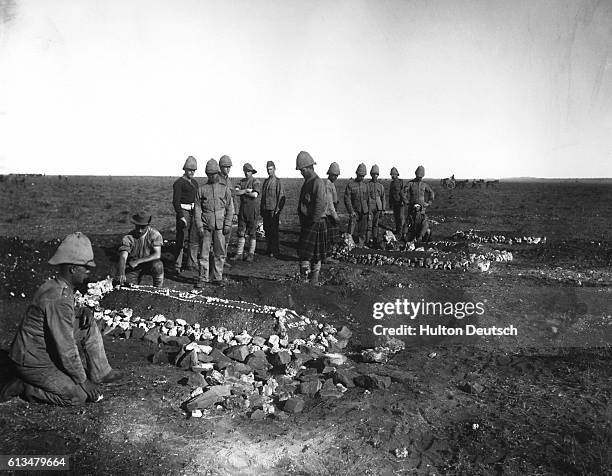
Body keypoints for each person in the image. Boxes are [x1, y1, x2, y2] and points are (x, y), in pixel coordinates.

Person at [1, 233, 123, 405]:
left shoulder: (56, 285)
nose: (89, 272)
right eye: (85, 268)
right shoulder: (58, 297)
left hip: (38, 347)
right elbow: (66, 349)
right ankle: (26, 387)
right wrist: (83, 382)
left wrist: (81, 311)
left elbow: (57, 316)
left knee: (87, 324)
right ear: (73, 269)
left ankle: (101, 372)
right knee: (78, 396)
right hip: (32, 360)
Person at [193, 159, 234, 288]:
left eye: (214, 174)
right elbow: (197, 209)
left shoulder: (225, 189)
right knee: (204, 253)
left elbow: (230, 208)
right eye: (209, 174)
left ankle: (218, 277)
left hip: (220, 227)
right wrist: (199, 225)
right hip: (205, 226)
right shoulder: (201, 190)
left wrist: (227, 224)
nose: (212, 176)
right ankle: (203, 278)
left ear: (218, 173)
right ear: (206, 175)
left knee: (220, 253)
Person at [296, 151, 328, 285]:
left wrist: (312, 222)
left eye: (302, 170)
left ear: (309, 168)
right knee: (305, 254)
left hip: (315, 223)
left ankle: (313, 282)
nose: (301, 173)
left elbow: (319, 205)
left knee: (315, 256)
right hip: (309, 222)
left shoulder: (317, 183)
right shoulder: (308, 182)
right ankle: (305, 281)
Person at [117, 212, 164, 287]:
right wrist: (122, 273)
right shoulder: (128, 238)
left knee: (158, 265)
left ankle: (158, 288)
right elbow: (123, 256)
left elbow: (157, 255)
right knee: (130, 286)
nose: (140, 230)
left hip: (149, 263)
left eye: (143, 227)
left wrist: (138, 261)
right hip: (133, 266)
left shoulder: (155, 234)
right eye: (138, 227)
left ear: (148, 225)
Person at [172, 156, 199, 275]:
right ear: (185, 169)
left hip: (194, 212)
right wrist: (181, 216)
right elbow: (176, 201)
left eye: (194, 170)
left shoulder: (195, 182)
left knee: (194, 238)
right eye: (190, 170)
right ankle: (177, 265)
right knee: (181, 238)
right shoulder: (178, 183)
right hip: (184, 212)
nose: (192, 172)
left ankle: (191, 263)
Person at [232, 163, 261, 262]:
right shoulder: (241, 182)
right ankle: (239, 253)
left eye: (249, 171)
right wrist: (245, 191)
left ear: (252, 172)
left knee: (252, 232)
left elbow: (255, 194)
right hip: (243, 209)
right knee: (241, 231)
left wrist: (244, 192)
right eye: (246, 171)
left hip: (252, 210)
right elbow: (235, 192)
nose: (247, 173)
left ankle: (251, 254)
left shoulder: (255, 181)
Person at [401, 165, 435, 240]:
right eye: (418, 176)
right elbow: (403, 192)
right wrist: (406, 202)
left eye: (421, 176)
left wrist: (429, 202)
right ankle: (409, 236)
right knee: (410, 222)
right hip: (412, 207)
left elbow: (431, 192)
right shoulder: (410, 183)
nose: (419, 178)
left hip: (422, 208)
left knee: (423, 223)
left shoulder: (424, 185)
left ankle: (422, 237)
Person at [260, 161, 286, 258]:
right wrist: (261, 209)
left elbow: (281, 197)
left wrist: (277, 210)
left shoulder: (278, 182)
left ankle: (275, 251)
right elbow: (263, 197)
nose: (269, 171)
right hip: (266, 210)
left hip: (273, 211)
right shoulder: (266, 182)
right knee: (267, 230)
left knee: (274, 231)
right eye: (267, 169)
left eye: (270, 169)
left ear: (274, 169)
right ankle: (269, 249)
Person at [344, 163, 370, 246]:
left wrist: (368, 211)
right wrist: (351, 211)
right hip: (355, 210)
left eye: (363, 176)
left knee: (362, 230)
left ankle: (360, 245)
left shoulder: (365, 185)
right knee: (351, 229)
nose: (362, 177)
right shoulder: (350, 185)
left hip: (364, 211)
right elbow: (347, 199)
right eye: (360, 175)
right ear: (357, 174)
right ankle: (348, 244)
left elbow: (368, 199)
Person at [218, 155, 235, 264]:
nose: (228, 169)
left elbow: (233, 197)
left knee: (227, 236)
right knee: (219, 237)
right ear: (220, 167)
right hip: (219, 213)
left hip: (228, 213)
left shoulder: (229, 181)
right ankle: (217, 260)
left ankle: (223, 259)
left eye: (229, 167)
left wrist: (235, 212)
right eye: (225, 167)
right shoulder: (216, 179)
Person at [324, 162, 341, 251]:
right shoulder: (328, 185)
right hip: (329, 213)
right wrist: (335, 215)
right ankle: (329, 250)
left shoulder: (331, 184)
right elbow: (329, 203)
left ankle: (331, 249)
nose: (335, 177)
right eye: (334, 175)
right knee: (330, 233)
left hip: (332, 211)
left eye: (336, 176)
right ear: (329, 174)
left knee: (332, 233)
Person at [367, 164, 385, 246]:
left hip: (378, 207)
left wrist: (383, 209)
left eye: (377, 174)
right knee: (369, 225)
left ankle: (374, 240)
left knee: (376, 225)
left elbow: (383, 198)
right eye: (373, 174)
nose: (375, 176)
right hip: (370, 207)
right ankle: (367, 241)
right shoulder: (367, 185)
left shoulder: (380, 186)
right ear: (371, 175)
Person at [388, 167, 404, 235]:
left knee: (401, 217)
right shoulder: (392, 183)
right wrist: (390, 203)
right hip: (395, 203)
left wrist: (403, 201)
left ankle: (401, 231)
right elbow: (390, 194)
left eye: (394, 174)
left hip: (400, 202)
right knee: (396, 217)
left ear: (397, 174)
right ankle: (398, 230)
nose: (392, 176)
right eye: (391, 174)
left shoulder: (401, 182)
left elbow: (403, 192)